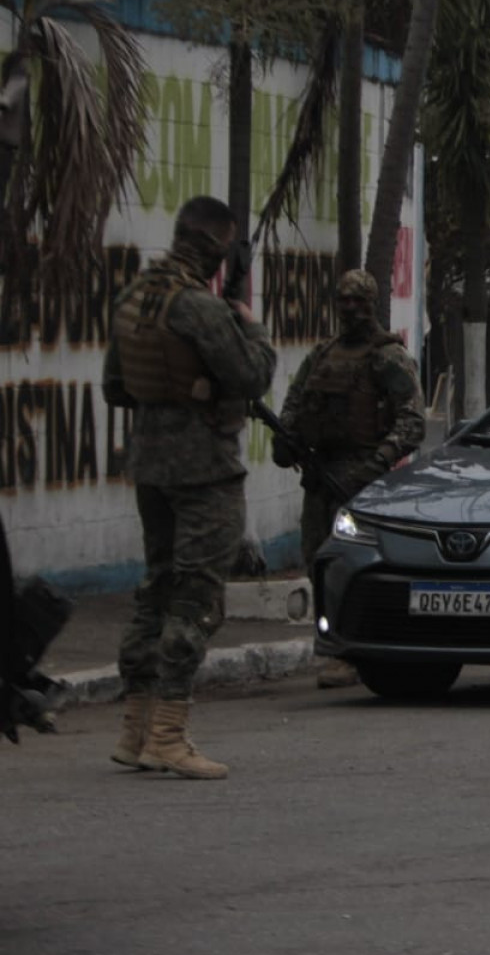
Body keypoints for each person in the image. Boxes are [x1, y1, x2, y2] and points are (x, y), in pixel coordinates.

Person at [102, 195, 277, 779]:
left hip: (151, 466)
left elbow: (114, 387)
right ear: (215, 249)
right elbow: (251, 376)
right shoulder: (200, 308)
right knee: (196, 597)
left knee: (155, 589)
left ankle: (134, 730)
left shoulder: (133, 299)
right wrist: (253, 332)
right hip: (204, 470)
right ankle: (169, 737)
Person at [276, 268, 425, 689]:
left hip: (362, 479)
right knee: (318, 564)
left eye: (358, 300)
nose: (350, 308)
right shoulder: (323, 354)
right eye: (344, 300)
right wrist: (287, 441)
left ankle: (352, 650)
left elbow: (411, 421)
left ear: (373, 303)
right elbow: (295, 401)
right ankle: (335, 644)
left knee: (355, 567)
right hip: (321, 475)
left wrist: (376, 463)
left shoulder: (388, 357)